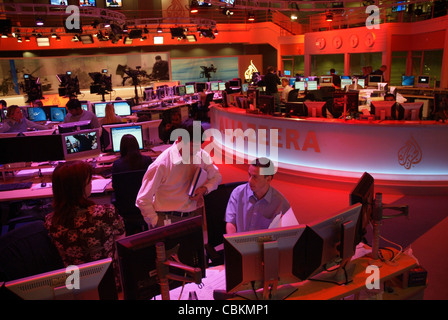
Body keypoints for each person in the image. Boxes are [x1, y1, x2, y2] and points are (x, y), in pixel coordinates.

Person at [44, 161, 125, 289]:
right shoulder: (106, 212)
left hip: (76, 286)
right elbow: (122, 243)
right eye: (89, 181)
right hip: (109, 282)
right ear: (78, 188)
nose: (91, 184)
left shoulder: (50, 222)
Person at [136, 120, 222, 228]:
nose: (195, 151)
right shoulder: (162, 163)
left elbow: (217, 177)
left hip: (193, 216)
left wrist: (204, 189)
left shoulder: (200, 154)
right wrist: (155, 221)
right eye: (192, 146)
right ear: (180, 139)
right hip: (167, 218)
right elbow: (142, 199)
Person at [225, 157, 295, 234]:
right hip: (238, 243)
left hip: (266, 245)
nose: (250, 180)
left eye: (255, 177)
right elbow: (231, 223)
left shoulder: (281, 203)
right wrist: (233, 243)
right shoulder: (238, 193)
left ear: (268, 179)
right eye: (249, 175)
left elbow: (287, 235)